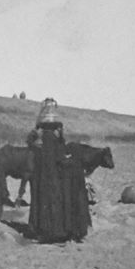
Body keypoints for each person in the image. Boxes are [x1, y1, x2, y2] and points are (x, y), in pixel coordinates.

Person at [27, 99, 90, 243]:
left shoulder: (40, 142)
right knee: (55, 204)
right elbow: (60, 159)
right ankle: (55, 233)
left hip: (42, 179)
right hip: (54, 179)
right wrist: (70, 161)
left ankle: (43, 230)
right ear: (56, 126)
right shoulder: (52, 141)